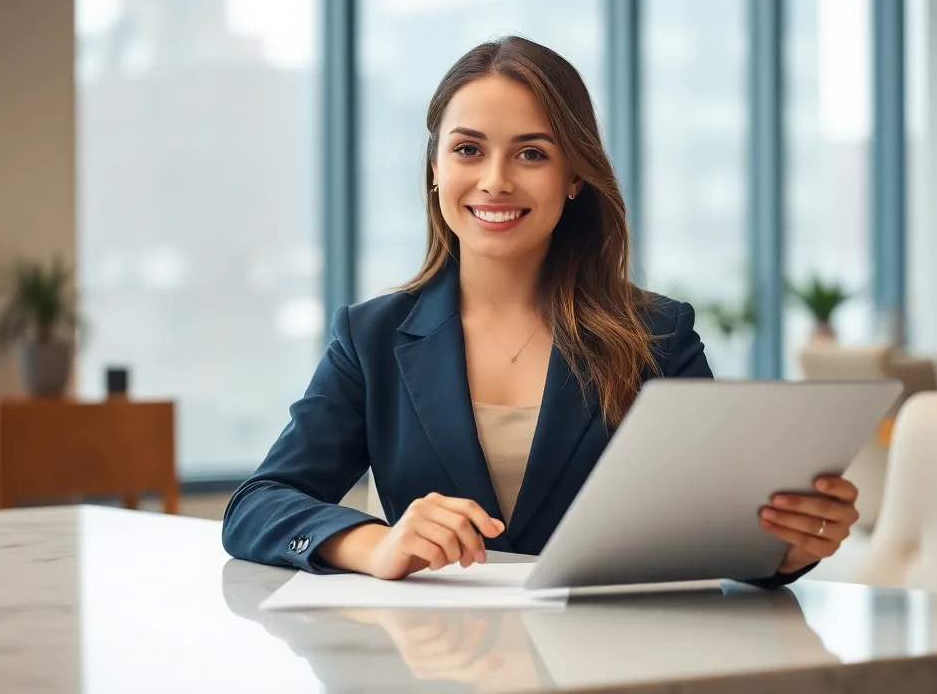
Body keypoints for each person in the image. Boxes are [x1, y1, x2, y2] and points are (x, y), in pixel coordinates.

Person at [221, 36, 859, 587]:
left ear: (574, 176)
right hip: (433, 665)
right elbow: (258, 505)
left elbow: (712, 522)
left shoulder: (657, 337)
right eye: (468, 149)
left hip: (609, 665)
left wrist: (784, 550)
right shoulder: (372, 337)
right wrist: (377, 544)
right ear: (436, 169)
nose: (496, 180)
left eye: (531, 153)